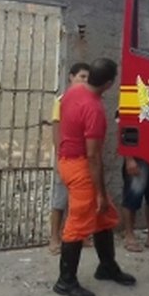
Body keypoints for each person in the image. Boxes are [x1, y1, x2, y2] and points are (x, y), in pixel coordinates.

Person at [53, 57, 135, 296]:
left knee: (104, 215)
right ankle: (65, 281)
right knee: (77, 224)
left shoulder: (74, 90)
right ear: (109, 84)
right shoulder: (95, 110)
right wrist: (99, 192)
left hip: (69, 161)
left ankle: (107, 266)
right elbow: (93, 156)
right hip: (80, 166)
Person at [48, 62, 90, 255]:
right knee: (60, 199)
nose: (84, 81)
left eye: (87, 78)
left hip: (82, 158)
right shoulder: (62, 100)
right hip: (66, 157)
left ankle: (77, 235)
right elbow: (57, 130)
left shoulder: (86, 101)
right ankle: (54, 238)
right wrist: (59, 156)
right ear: (71, 77)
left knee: (79, 200)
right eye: (81, 76)